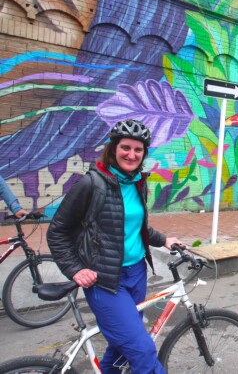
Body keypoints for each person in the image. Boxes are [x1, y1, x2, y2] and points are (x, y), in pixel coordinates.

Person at [47, 119, 180, 373]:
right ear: (113, 148)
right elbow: (58, 232)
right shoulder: (91, 184)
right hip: (105, 280)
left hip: (136, 274)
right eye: (125, 148)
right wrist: (75, 269)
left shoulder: (138, 183)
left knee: (121, 346)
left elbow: (133, 226)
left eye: (138, 150)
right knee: (142, 351)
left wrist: (164, 240)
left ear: (144, 154)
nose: (131, 155)